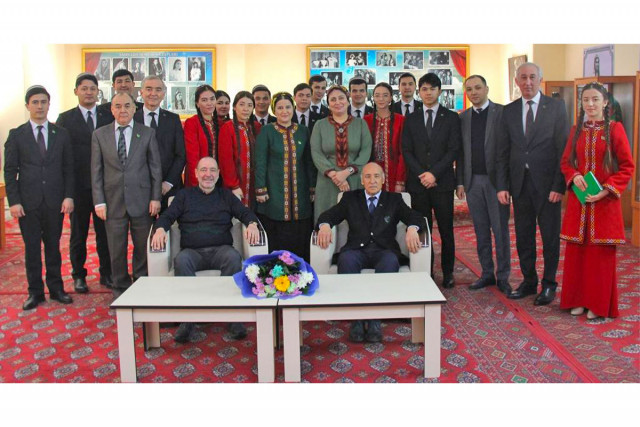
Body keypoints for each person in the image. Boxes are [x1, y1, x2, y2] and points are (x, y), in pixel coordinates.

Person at [151, 157, 261, 342]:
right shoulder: (184, 196)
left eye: (212, 170)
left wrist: (252, 224)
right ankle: (188, 320)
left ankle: (232, 317)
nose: (208, 174)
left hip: (221, 250)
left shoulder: (226, 196)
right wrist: (160, 229)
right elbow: (167, 216)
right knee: (181, 260)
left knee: (233, 257)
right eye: (203, 170)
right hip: (192, 252)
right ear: (195, 173)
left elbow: (245, 213)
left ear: (218, 174)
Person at [315, 162, 427, 342]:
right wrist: (325, 226)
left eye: (376, 176)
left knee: (390, 261)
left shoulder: (394, 200)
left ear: (383, 179)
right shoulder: (350, 198)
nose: (372, 180)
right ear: (362, 180)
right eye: (367, 176)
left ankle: (375, 320)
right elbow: (328, 215)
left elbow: (416, 217)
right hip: (356, 250)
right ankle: (357, 320)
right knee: (346, 260)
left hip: (384, 251)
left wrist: (412, 229)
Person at [559, 82, 634, 319]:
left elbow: (627, 167)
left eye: (595, 100)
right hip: (579, 203)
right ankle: (577, 300)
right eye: (586, 100)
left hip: (605, 204)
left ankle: (597, 304)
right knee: (577, 255)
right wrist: (575, 175)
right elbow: (566, 162)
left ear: (605, 102)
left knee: (599, 258)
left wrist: (606, 190)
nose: (590, 104)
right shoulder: (576, 131)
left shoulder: (615, 129)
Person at [496, 62, 569, 305]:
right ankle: (529, 281)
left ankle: (549, 285)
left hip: (548, 188)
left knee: (549, 238)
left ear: (540, 79)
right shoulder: (508, 111)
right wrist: (502, 185)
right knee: (523, 236)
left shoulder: (556, 107)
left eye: (532, 77)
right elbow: (502, 151)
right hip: (519, 185)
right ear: (517, 81)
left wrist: (559, 186)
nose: (528, 82)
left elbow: (563, 149)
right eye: (523, 77)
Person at [4, 85, 75, 310]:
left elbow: (68, 168)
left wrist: (68, 196)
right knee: (32, 249)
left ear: (49, 104)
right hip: (28, 203)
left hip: (55, 202)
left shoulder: (61, 134)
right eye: (35, 102)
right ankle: (35, 292)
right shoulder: (17, 135)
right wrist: (14, 201)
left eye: (43, 102)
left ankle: (56, 289)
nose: (39, 106)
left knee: (53, 247)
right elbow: (10, 171)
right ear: (27, 106)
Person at [91, 92, 162, 296]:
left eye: (127, 106)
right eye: (118, 106)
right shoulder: (99, 135)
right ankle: (120, 286)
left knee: (141, 247)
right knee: (116, 248)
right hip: (112, 201)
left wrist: (155, 198)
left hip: (142, 201)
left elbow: (155, 168)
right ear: (111, 109)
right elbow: (96, 171)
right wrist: (99, 202)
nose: (123, 110)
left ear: (134, 108)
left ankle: (140, 284)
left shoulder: (147, 133)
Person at [402, 72, 461, 289]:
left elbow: (453, 149)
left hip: (442, 183)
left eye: (432, 89)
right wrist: (422, 175)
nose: (428, 93)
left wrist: (434, 174)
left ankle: (448, 272)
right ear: (419, 92)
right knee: (422, 229)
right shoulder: (412, 118)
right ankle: (426, 270)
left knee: (446, 230)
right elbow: (407, 150)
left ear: (439, 91)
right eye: (424, 89)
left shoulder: (451, 117)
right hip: (418, 185)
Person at [56, 73, 113, 293]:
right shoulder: (65, 119)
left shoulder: (108, 115)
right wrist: (66, 191)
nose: (89, 92)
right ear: (76, 91)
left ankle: (106, 273)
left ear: (98, 92)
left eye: (92, 89)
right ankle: (79, 275)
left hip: (104, 187)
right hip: (78, 187)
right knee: (78, 235)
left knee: (104, 234)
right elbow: (62, 155)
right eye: (84, 88)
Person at [455, 75, 511, 294]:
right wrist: (460, 182)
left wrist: (506, 184)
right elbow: (460, 153)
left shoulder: (502, 113)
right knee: (480, 230)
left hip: (496, 182)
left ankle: (503, 276)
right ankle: (487, 273)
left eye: (478, 88)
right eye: (469, 89)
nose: (474, 92)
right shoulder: (463, 117)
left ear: (487, 89)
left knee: (500, 230)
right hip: (473, 181)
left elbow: (509, 150)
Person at [255, 92, 317, 261]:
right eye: (280, 107)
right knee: (277, 234)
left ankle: (300, 271)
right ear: (274, 110)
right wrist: (260, 188)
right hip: (274, 191)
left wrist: (312, 187)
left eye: (288, 107)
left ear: (293, 108)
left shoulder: (303, 131)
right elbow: (260, 161)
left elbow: (309, 162)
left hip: (300, 192)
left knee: (300, 234)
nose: (284, 111)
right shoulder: (267, 131)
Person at [310, 85, 372, 221]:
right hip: (327, 181)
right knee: (327, 221)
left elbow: (365, 152)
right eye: (333, 99)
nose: (337, 102)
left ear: (348, 101)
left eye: (341, 98)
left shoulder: (361, 124)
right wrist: (335, 176)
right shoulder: (319, 125)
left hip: (354, 179)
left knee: (355, 220)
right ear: (328, 104)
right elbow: (316, 153)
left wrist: (346, 172)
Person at [134, 76, 185, 212]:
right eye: (149, 89)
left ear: (163, 93)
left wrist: (168, 182)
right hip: (140, 188)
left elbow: (181, 154)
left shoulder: (173, 119)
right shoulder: (132, 119)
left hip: (169, 187)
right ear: (141, 92)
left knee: (169, 225)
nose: (153, 93)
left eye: (158, 89)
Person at [219, 91, 261, 208]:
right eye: (242, 104)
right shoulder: (227, 127)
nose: (245, 109)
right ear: (234, 107)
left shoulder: (257, 127)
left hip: (253, 183)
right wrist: (234, 185)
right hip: (235, 184)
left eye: (249, 105)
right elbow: (226, 160)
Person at [364, 82, 406, 193]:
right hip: (371, 173)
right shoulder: (366, 120)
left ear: (391, 98)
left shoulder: (400, 120)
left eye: (385, 95)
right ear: (373, 98)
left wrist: (400, 181)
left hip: (394, 173)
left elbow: (403, 152)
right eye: (377, 95)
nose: (381, 99)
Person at [183, 84, 219, 187]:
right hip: (199, 179)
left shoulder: (219, 123)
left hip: (217, 178)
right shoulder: (192, 123)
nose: (209, 103)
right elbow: (192, 157)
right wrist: (198, 183)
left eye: (212, 99)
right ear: (197, 104)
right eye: (204, 100)